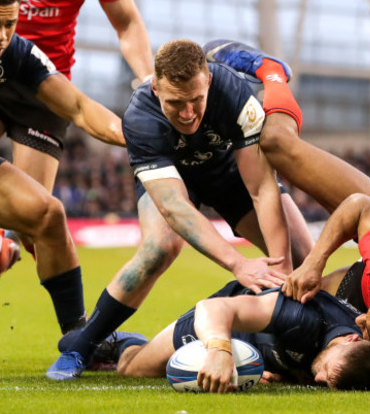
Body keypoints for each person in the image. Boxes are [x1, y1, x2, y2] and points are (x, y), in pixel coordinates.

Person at [45, 39, 315, 380]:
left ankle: (297, 346)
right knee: (160, 247)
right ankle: (81, 345)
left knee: (302, 255)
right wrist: (239, 263)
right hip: (173, 176)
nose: (187, 114)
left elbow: (261, 188)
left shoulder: (235, 93)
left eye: (196, 100)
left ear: (209, 83)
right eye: (175, 103)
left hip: (227, 172)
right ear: (156, 87)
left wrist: (280, 275)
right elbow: (174, 206)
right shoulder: (140, 116)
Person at [204, 40, 370, 386]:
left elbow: (358, 362)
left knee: (295, 298)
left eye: (368, 331)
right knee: (277, 145)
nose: (359, 324)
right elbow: (358, 206)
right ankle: (272, 73)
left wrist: (293, 372)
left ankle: (244, 341)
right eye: (367, 322)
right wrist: (316, 262)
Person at [0, 0, 153, 317]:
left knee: (35, 219)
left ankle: (79, 332)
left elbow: (127, 21)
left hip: (44, 84)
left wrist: (148, 83)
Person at [113, 281, 370, 392]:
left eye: (327, 382)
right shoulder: (304, 318)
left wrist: (286, 374)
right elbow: (214, 308)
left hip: (258, 348)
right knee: (132, 370)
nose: (319, 380)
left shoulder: (353, 366)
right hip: (225, 319)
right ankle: (118, 343)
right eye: (328, 371)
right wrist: (219, 350)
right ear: (353, 340)